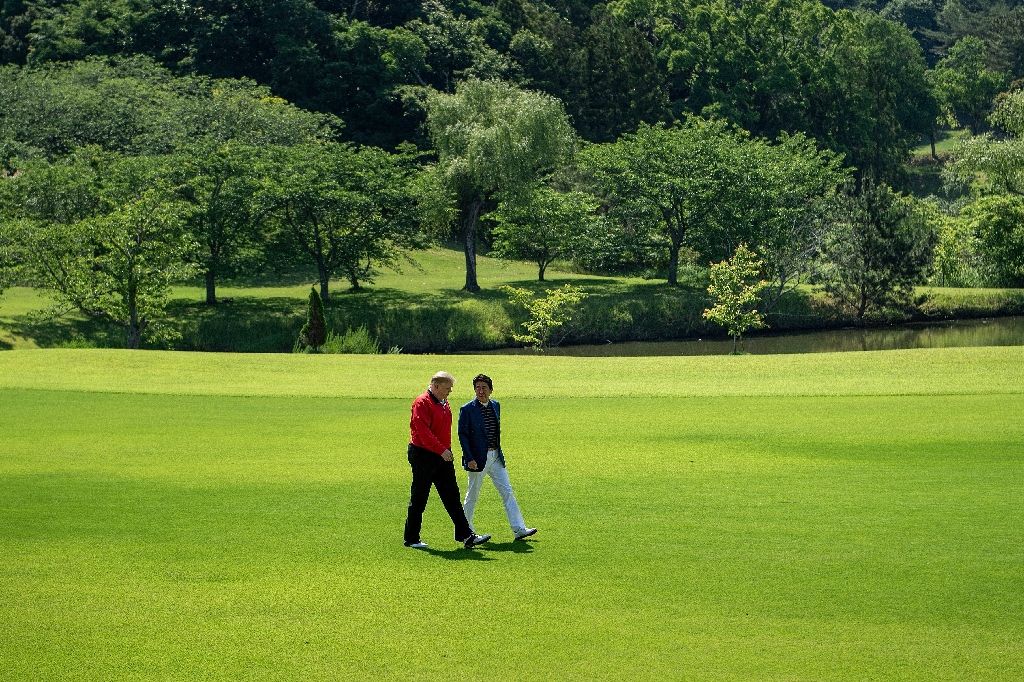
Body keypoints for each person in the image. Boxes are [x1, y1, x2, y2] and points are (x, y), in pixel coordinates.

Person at [404, 371, 491, 550]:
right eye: (447, 388)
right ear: (435, 386)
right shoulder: (422, 403)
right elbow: (422, 432)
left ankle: (466, 535)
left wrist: (446, 450)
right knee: (419, 497)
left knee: (452, 496)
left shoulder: (444, 402)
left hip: (442, 454)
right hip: (423, 455)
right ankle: (411, 538)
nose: (450, 391)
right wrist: (441, 450)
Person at [458, 374, 537, 541]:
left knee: (507, 491)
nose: (480, 391)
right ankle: (466, 534)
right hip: (477, 460)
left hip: (495, 457)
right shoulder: (467, 409)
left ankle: (519, 529)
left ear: (491, 390)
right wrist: (469, 458)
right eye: (477, 388)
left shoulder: (496, 405)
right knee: (472, 495)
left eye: (484, 388)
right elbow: (463, 435)